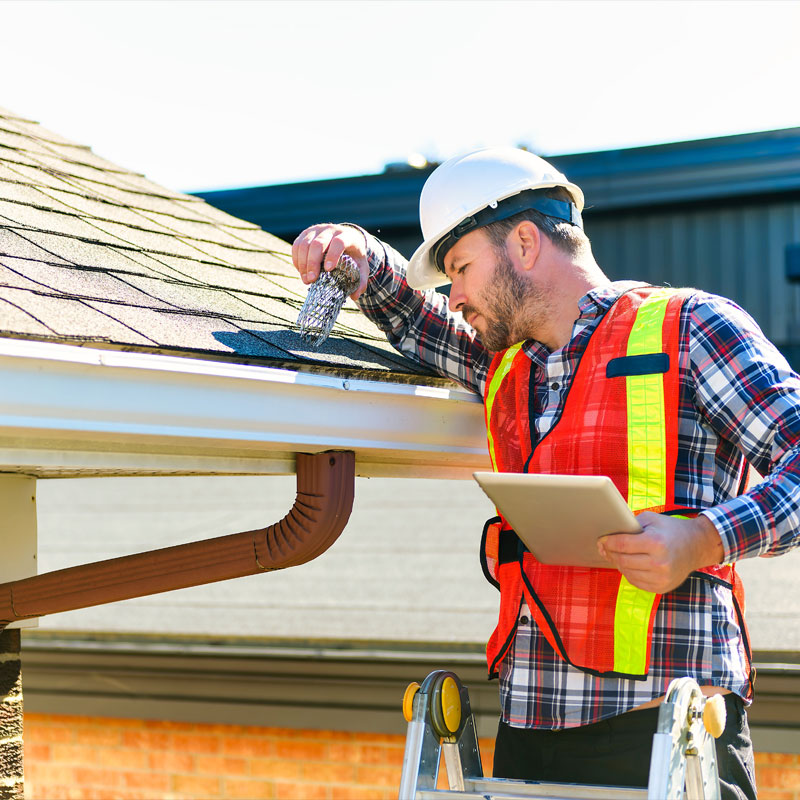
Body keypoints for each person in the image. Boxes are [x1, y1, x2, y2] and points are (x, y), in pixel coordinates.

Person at [292, 147, 799, 799]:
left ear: (525, 243)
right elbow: (416, 316)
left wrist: (701, 539)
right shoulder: (506, 366)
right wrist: (356, 253)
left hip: (670, 724)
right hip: (532, 719)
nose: (458, 295)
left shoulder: (692, 328)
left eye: (462, 269)